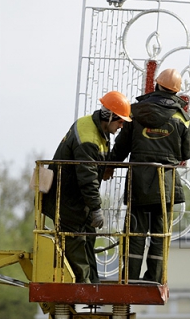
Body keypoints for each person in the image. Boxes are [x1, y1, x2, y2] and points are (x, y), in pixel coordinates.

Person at [110, 69, 190, 283]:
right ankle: (154, 279)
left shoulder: (135, 113)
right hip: (165, 185)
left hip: (138, 183)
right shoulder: (181, 118)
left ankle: (129, 277)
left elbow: (121, 147)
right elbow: (188, 151)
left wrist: (109, 165)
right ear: (176, 91)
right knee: (159, 234)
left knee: (135, 232)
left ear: (157, 86)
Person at [42, 91, 132, 284]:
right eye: (120, 121)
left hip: (76, 198)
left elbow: (91, 168)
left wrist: (105, 166)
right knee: (76, 241)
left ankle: (93, 284)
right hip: (66, 199)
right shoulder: (89, 138)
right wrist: (96, 208)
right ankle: (84, 287)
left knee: (89, 237)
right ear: (109, 116)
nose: (121, 126)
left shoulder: (96, 128)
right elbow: (87, 178)